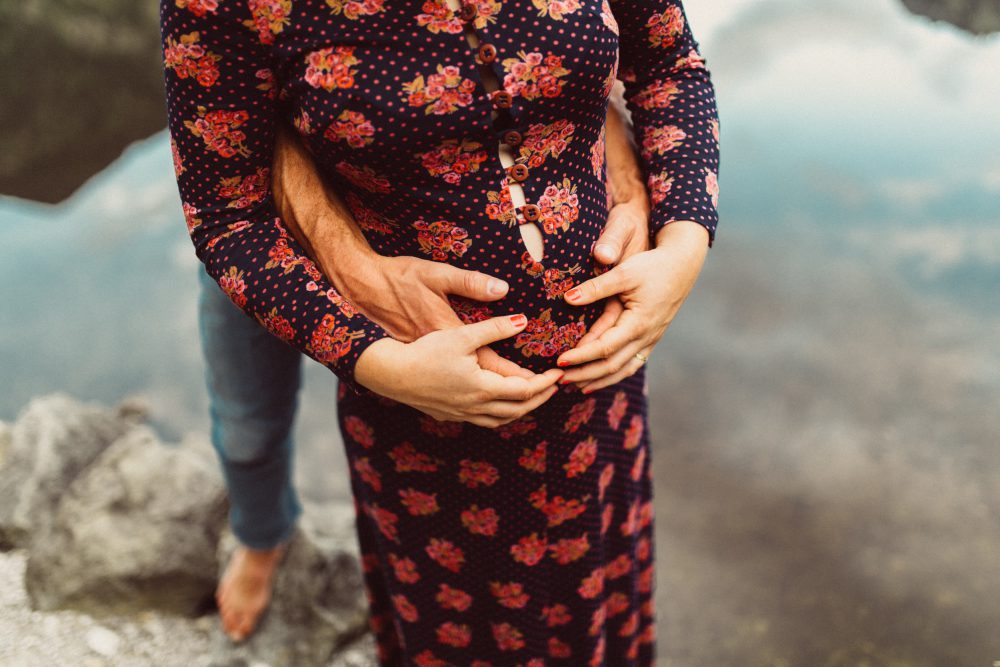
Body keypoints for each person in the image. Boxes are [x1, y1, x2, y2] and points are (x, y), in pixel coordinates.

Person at [161, 0, 718, 662]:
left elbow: (668, 64)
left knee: (596, 616)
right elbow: (229, 213)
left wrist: (684, 240)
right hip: (423, 420)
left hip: (599, 393)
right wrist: (372, 359)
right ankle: (263, 533)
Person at [206, 96, 656, 643]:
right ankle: (260, 536)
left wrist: (637, 195)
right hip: (276, 202)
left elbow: (632, 57)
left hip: (583, 414)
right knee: (247, 420)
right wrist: (355, 283)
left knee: (590, 579)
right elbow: (225, 190)